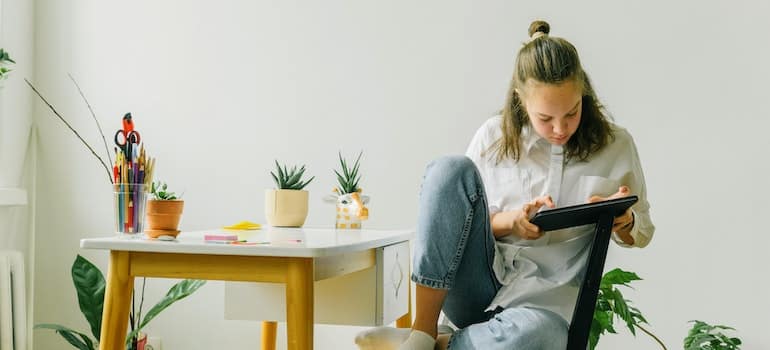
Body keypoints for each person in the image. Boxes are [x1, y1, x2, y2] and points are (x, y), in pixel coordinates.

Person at [355, 19, 655, 350]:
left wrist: (624, 221)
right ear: (521, 101)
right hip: (481, 284)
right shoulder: (492, 136)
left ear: (583, 91)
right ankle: (422, 333)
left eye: (572, 112)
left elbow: (641, 231)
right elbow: (461, 225)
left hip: (544, 308)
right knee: (448, 169)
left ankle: (439, 345)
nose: (560, 128)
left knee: (539, 334)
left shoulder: (616, 145)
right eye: (545, 118)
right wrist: (512, 221)